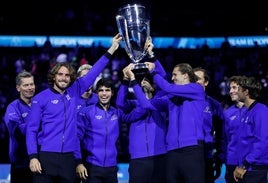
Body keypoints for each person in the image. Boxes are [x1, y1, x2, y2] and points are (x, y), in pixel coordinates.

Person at [26, 34, 122, 183]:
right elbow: (31, 130)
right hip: (45, 157)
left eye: (67, 75)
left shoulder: (74, 91)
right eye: (60, 74)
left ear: (71, 78)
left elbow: (94, 72)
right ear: (53, 76)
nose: (64, 78)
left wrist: (112, 48)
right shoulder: (40, 98)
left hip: (68, 159)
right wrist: (33, 157)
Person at [125, 61, 206, 183]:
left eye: (175, 75)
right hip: (172, 152)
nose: (172, 78)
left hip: (192, 149)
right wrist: (134, 81)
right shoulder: (170, 98)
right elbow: (146, 104)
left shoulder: (197, 89)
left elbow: (167, 86)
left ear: (185, 75)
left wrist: (153, 72)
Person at [75, 78, 147, 183]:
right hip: (92, 167)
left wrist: (133, 84)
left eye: (107, 90)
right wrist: (78, 163)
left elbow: (140, 111)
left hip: (112, 168)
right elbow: (76, 138)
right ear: (96, 93)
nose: (104, 94)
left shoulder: (117, 113)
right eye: (101, 90)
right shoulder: (86, 112)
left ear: (112, 93)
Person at [116, 65, 168, 183]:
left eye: (149, 82)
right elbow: (119, 103)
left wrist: (154, 69)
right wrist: (125, 80)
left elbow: (165, 83)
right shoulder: (134, 104)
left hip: (160, 156)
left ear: (155, 86)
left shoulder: (162, 102)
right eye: (141, 83)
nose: (144, 84)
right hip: (138, 158)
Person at [233, 76, 268, 183]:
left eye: (238, 89)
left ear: (246, 92)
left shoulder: (261, 111)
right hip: (245, 167)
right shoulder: (246, 112)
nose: (236, 92)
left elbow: (263, 141)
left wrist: (244, 165)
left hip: (254, 169)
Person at [193, 67, 225, 183]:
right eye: (192, 79)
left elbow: (221, 134)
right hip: (186, 157)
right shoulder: (182, 102)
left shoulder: (214, 105)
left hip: (206, 156)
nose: (195, 81)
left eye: (198, 79)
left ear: (206, 82)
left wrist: (220, 158)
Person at [4, 70, 35, 183]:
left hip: (37, 160)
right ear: (18, 88)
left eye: (31, 84)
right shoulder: (12, 107)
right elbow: (18, 131)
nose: (30, 87)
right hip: (17, 162)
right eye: (26, 85)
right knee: (4, 181)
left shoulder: (40, 104)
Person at [223, 75, 247, 183]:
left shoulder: (256, 110)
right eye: (230, 88)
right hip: (232, 162)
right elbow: (226, 138)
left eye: (234, 88)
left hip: (250, 164)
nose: (231, 91)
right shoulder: (227, 113)